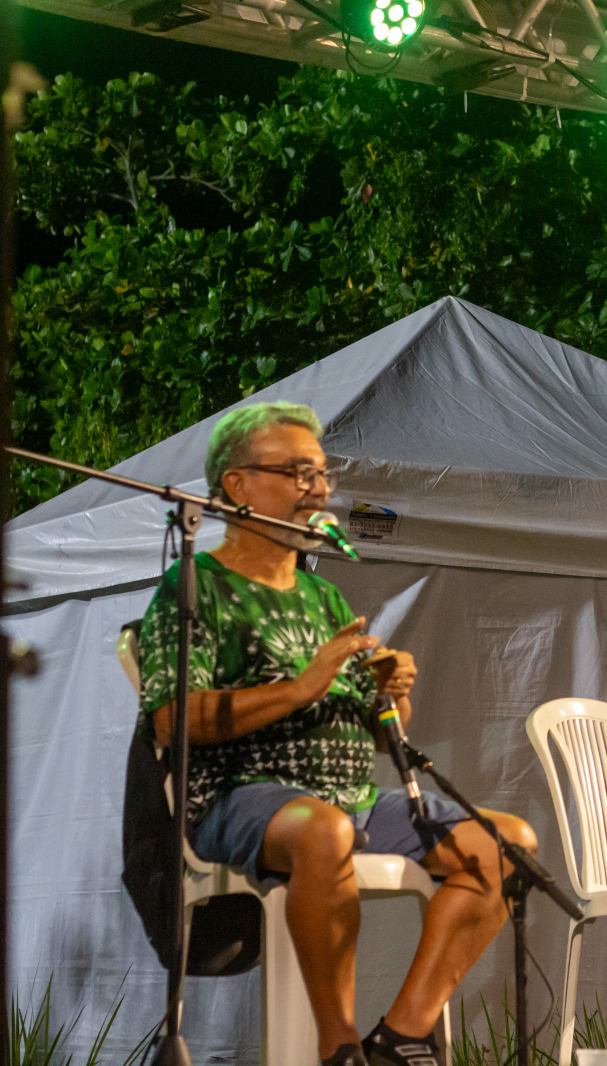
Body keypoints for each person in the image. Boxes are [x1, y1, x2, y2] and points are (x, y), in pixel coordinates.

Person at [137, 401, 537, 1066]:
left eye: (322, 476)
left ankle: (400, 1036)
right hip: (244, 796)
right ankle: (339, 1048)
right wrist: (301, 686)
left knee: (506, 845)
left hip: (353, 798)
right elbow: (173, 720)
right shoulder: (196, 585)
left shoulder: (323, 598)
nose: (320, 491)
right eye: (299, 475)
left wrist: (389, 697)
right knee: (324, 830)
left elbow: (384, 734)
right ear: (237, 487)